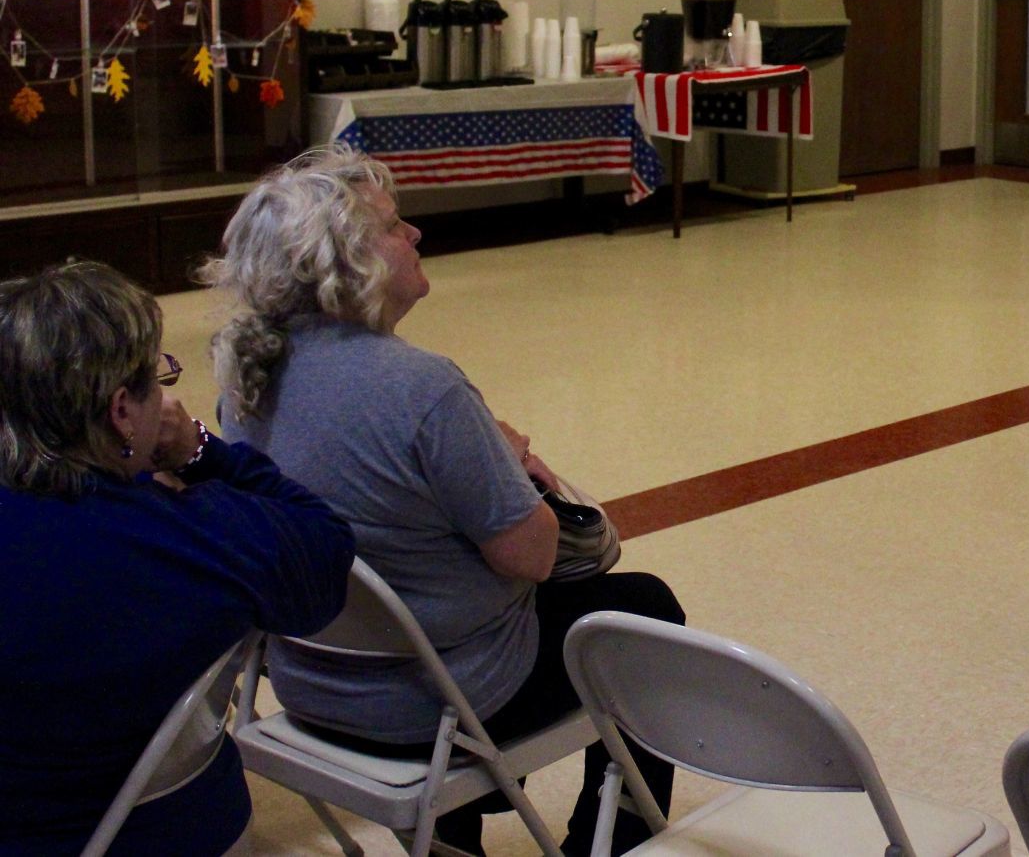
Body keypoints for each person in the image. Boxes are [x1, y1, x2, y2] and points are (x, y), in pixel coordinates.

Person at [200, 146, 685, 857]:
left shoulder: (246, 382)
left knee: (420, 580)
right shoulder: (423, 389)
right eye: (395, 227)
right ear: (347, 261)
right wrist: (517, 465)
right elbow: (536, 556)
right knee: (645, 612)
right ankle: (609, 844)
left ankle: (447, 840)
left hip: (310, 687)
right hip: (437, 703)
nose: (416, 236)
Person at [0, 260, 354, 857]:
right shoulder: (187, 540)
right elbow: (324, 553)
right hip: (147, 828)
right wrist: (199, 451)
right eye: (155, 378)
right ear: (121, 411)